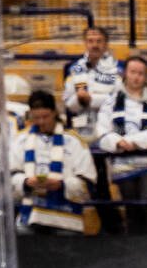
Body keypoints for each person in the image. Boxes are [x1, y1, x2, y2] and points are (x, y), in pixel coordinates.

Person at [93, 54, 147, 234]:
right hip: (123, 165)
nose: (136, 77)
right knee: (132, 212)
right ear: (125, 74)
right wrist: (118, 142)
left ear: (146, 76)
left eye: (141, 73)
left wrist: (136, 142)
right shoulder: (112, 101)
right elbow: (102, 130)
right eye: (133, 72)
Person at [61, 24, 122, 233]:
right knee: (91, 182)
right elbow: (67, 101)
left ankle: (113, 226)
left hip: (109, 132)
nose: (94, 45)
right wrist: (79, 100)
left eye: (98, 41)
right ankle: (110, 225)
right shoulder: (75, 68)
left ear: (106, 44)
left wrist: (91, 99)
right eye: (90, 41)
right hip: (82, 134)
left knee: (103, 183)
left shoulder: (117, 68)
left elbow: (118, 99)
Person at [10, 88, 91, 234]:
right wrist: (26, 182)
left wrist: (61, 185)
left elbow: (87, 183)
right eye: (36, 117)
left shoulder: (74, 141)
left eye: (45, 117)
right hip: (30, 214)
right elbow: (10, 176)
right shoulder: (21, 139)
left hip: (66, 217)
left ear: (55, 112)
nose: (41, 122)